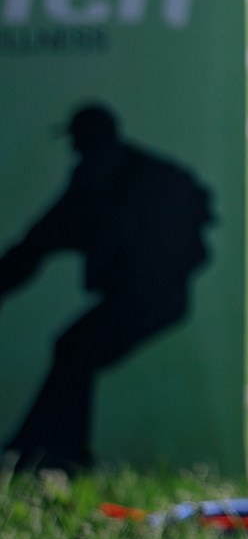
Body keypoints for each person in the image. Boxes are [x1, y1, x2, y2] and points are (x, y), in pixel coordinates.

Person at [0, 104, 215, 471]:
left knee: (76, 350)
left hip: (158, 297)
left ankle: (52, 452)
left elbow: (196, 234)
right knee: (74, 348)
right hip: (138, 295)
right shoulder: (93, 184)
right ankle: (48, 450)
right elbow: (36, 245)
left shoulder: (143, 178)